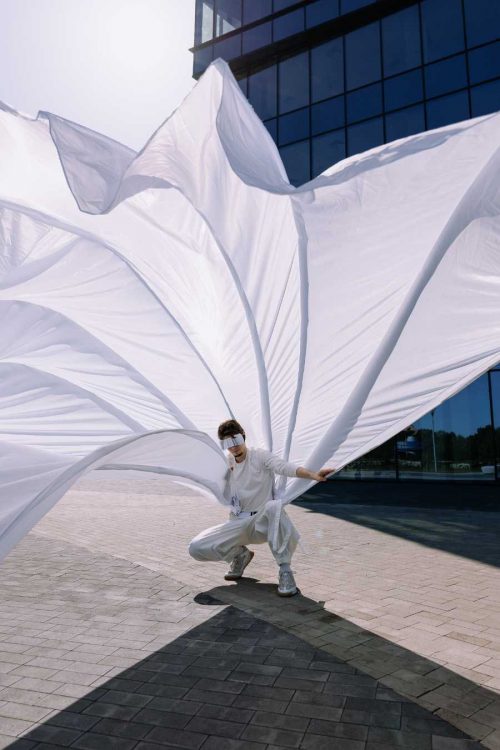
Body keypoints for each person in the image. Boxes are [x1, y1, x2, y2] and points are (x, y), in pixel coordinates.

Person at [188, 419, 334, 596]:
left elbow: (284, 467)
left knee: (275, 508)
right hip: (238, 522)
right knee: (196, 547)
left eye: (236, 440)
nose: (233, 447)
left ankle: (285, 571)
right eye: (227, 443)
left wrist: (313, 474)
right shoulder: (226, 463)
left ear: (243, 437)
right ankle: (240, 555)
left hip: (263, 520)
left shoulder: (259, 456)